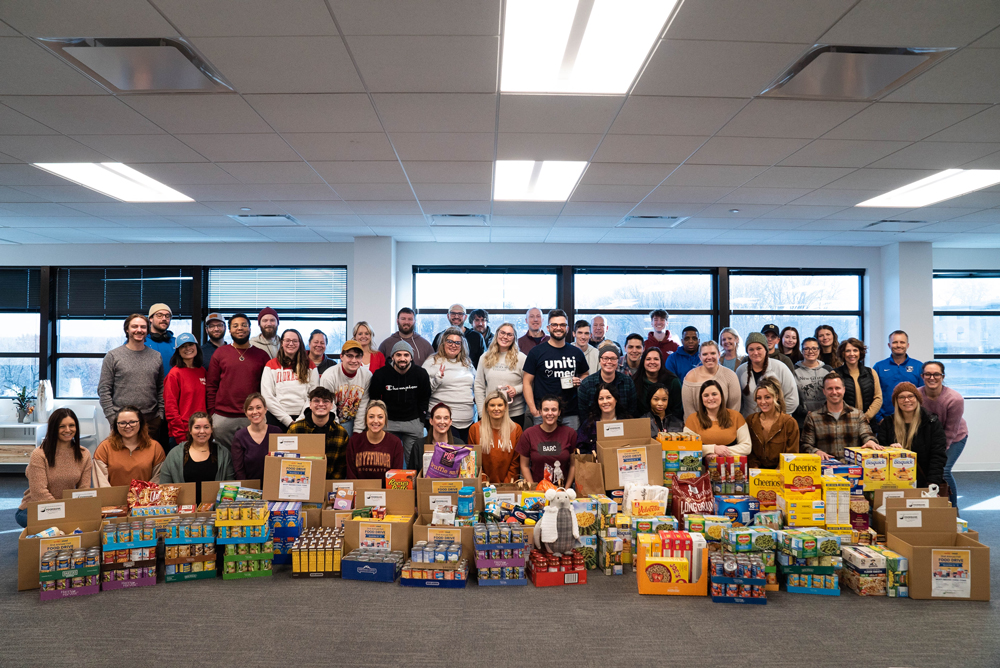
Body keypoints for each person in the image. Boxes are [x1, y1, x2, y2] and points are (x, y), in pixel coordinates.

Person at [15, 408, 93, 528]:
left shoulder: (84, 454)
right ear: (53, 429)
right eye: (62, 426)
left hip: (68, 508)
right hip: (36, 507)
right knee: (58, 525)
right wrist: (62, 513)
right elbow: (39, 493)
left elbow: (83, 489)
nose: (68, 430)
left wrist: (75, 512)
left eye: (71, 425)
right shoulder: (39, 454)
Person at [206, 313, 270, 450]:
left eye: (244, 325)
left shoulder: (262, 355)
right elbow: (211, 385)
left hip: (253, 416)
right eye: (235, 326)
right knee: (224, 458)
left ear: (250, 328)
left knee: (254, 455)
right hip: (223, 417)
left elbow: (267, 389)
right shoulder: (220, 353)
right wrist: (213, 414)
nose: (240, 328)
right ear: (229, 330)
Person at [98, 313, 165, 442]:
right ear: (127, 329)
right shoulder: (113, 356)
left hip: (150, 422)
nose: (139, 330)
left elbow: (161, 388)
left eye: (143, 327)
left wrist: (160, 415)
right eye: (135, 326)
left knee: (149, 461)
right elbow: (104, 389)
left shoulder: (156, 356)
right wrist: (113, 418)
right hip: (122, 422)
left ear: (147, 330)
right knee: (122, 460)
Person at [522, 309, 589, 430]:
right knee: (542, 448)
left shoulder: (576, 352)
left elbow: (585, 374)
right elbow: (527, 382)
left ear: (567, 329)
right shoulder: (536, 352)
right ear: (548, 328)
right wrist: (533, 409)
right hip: (544, 412)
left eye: (562, 325)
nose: (558, 328)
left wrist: (579, 380)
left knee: (571, 448)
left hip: (571, 413)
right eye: (554, 325)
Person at [368, 341, 432, 468]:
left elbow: (425, 397)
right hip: (389, 422)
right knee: (387, 460)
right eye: (398, 355)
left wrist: (421, 419)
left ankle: (415, 486)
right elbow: (374, 399)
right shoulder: (381, 374)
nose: (402, 358)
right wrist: (381, 419)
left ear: (411, 357)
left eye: (406, 355)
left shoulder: (421, 373)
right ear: (393, 357)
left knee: (414, 460)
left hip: (413, 421)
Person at [876, 383, 947, 491]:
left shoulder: (931, 422)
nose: (906, 400)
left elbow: (938, 456)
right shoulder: (887, 423)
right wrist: (890, 450)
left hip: (924, 481)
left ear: (917, 399)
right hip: (894, 483)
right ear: (896, 401)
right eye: (901, 397)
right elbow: (880, 454)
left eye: (910, 396)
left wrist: (932, 483)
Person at [919, 361, 968, 509]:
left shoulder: (955, 399)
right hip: (929, 439)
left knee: (943, 470)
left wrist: (936, 454)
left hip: (954, 438)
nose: (932, 377)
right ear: (922, 376)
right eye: (928, 374)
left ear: (943, 376)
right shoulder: (917, 395)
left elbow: (950, 431)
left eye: (936, 374)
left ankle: (953, 510)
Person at [800, 373, 880, 460]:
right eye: (830, 389)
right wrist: (816, 451)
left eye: (837, 388)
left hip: (852, 469)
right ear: (824, 391)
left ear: (844, 390)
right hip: (825, 468)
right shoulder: (813, 418)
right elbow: (805, 445)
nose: (834, 392)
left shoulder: (858, 415)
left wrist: (870, 441)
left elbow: (867, 434)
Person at [159, 413, 235, 504]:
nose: (202, 431)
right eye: (197, 427)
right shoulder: (174, 454)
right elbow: (164, 486)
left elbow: (231, 485)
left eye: (206, 427)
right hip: (184, 512)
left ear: (211, 429)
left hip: (215, 511)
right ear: (190, 430)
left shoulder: (223, 453)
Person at [424, 327, 477, 443]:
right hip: (443, 423)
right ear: (443, 343)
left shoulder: (467, 363)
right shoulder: (432, 362)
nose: (454, 345)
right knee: (447, 459)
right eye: (450, 341)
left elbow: (476, 385)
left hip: (467, 420)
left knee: (465, 458)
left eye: (457, 343)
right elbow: (423, 393)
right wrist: (437, 380)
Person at [261, 328, 318, 430]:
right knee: (275, 446)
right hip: (276, 417)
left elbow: (313, 395)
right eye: (287, 340)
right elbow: (267, 396)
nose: (291, 343)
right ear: (282, 343)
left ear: (299, 343)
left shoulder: (310, 365)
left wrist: (301, 419)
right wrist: (287, 421)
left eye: (295, 341)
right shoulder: (271, 365)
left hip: (304, 417)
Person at [287, 386, 350, 480]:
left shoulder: (341, 433)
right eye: (316, 401)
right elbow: (287, 460)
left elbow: (341, 468)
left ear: (331, 405)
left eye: (326, 401)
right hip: (299, 484)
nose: (321, 404)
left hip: (329, 486)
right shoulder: (295, 429)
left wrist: (328, 487)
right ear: (310, 404)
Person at [93, 407, 166, 487]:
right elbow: (101, 482)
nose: (127, 426)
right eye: (122, 423)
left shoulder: (155, 447)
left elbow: (158, 478)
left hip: (144, 498)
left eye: (132, 422)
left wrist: (140, 497)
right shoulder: (104, 448)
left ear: (140, 423)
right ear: (116, 425)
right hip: (112, 498)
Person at [515, 396, 576, 488]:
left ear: (559, 412)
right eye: (546, 410)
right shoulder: (528, 434)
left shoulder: (570, 433)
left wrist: (566, 490)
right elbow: (524, 466)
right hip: (538, 491)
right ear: (540, 412)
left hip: (562, 491)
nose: (550, 413)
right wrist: (534, 489)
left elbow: (573, 465)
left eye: (554, 410)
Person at [736, 332, 799, 417]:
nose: (755, 352)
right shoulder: (741, 370)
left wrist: (776, 417)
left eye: (759, 348)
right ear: (747, 351)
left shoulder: (780, 367)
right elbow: (739, 400)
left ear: (766, 349)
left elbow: (792, 399)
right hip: (750, 421)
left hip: (777, 420)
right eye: (751, 349)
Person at [474, 322, 526, 423]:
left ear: (514, 338)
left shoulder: (522, 358)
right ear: (497, 334)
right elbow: (479, 386)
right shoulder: (485, 357)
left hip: (514, 413)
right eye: (502, 333)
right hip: (490, 412)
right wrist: (481, 413)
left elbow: (529, 384)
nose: (505, 337)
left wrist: (516, 390)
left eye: (509, 334)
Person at [683, 380, 751, 457]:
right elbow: (687, 447)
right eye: (706, 395)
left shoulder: (736, 416)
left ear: (721, 396)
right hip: (702, 467)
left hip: (732, 466)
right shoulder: (692, 419)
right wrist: (713, 449)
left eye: (714, 394)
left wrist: (719, 452)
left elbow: (747, 447)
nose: (711, 398)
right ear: (701, 399)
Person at [164, 332, 206, 450]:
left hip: (202, 431)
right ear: (178, 351)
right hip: (182, 433)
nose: (188, 349)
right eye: (183, 346)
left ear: (196, 347)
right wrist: (181, 435)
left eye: (190, 345)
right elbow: (170, 408)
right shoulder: (174, 374)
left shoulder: (202, 371)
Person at [469, 390, 522, 484]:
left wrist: (505, 485)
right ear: (486, 408)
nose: (496, 409)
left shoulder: (516, 429)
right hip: (483, 485)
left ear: (505, 407)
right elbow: (474, 462)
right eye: (492, 405)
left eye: (500, 405)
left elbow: (515, 463)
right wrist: (484, 483)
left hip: (508, 486)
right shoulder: (475, 429)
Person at [577, 342, 638, 423]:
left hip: (623, 426)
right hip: (594, 428)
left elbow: (632, 410)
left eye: (613, 358)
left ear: (618, 361)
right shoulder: (587, 384)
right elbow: (583, 412)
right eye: (605, 358)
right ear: (600, 360)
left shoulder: (627, 382)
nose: (609, 362)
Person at [320, 340, 372, 434]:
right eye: (349, 356)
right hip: (331, 419)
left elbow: (363, 406)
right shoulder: (329, 376)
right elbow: (328, 407)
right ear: (341, 357)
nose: (354, 360)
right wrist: (337, 432)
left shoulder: (367, 376)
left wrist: (357, 432)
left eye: (357, 356)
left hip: (355, 419)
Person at [747, 378, 800, 469]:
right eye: (759, 398)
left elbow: (791, 454)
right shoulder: (750, 421)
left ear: (776, 397)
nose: (763, 402)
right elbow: (749, 452)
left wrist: (776, 474)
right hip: (756, 473)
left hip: (781, 473)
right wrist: (756, 470)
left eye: (767, 397)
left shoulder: (789, 422)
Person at [681, 341, 741, 419]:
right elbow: (689, 411)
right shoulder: (690, 377)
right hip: (696, 427)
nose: (709, 357)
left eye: (713, 353)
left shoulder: (731, 376)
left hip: (725, 425)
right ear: (700, 357)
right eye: (705, 354)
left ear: (719, 354)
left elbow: (734, 410)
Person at [873, 330, 923, 423]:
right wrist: (879, 418)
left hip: (913, 420)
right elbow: (872, 394)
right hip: (886, 420)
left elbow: (923, 395)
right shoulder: (879, 367)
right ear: (889, 345)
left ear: (907, 345)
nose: (898, 345)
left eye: (902, 342)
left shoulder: (918, 366)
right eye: (895, 342)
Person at [346, 401, 405, 479]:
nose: (375, 421)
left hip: (386, 490)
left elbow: (396, 476)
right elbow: (351, 475)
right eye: (371, 417)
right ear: (365, 419)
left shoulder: (395, 443)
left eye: (380, 417)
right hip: (359, 490)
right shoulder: (354, 442)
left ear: (385, 420)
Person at [231, 393, 283, 481]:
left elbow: (283, 463)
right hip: (250, 490)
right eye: (250, 409)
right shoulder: (240, 436)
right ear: (246, 412)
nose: (255, 412)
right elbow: (239, 470)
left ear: (265, 409)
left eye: (258, 407)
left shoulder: (276, 432)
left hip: (273, 485)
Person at [834, 337, 882, 425]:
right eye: (848, 351)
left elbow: (878, 398)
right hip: (844, 423)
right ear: (843, 353)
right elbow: (833, 399)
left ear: (860, 352)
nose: (852, 354)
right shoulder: (835, 374)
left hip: (868, 423)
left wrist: (866, 417)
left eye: (855, 350)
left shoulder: (871, 372)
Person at [576, 383, 628, 454]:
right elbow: (580, 448)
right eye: (601, 399)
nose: (605, 402)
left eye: (608, 397)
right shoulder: (589, 424)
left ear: (616, 399)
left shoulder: (627, 422)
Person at [634, 347, 682, 421]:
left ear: (661, 362)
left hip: (669, 425)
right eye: (648, 359)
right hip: (641, 424)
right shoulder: (635, 381)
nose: (652, 362)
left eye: (656, 359)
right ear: (643, 361)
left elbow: (677, 409)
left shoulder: (673, 381)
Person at [432, 304, 487, 369]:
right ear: (448, 316)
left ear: (465, 317)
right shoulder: (440, 337)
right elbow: (434, 359)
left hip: (470, 377)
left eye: (460, 314)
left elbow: (483, 362)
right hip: (445, 376)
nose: (456, 316)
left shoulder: (476, 337)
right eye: (453, 313)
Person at [794, 337, 834, 416]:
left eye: (814, 348)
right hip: (803, 418)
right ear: (802, 351)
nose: (810, 351)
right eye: (806, 349)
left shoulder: (828, 370)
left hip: (826, 416)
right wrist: (804, 413)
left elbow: (834, 392)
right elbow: (791, 395)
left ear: (818, 351)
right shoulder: (794, 371)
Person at [145, 302, 176, 377]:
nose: (164, 319)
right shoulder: (141, 342)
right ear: (151, 318)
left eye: (167, 316)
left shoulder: (176, 342)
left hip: (172, 387)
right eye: (159, 315)